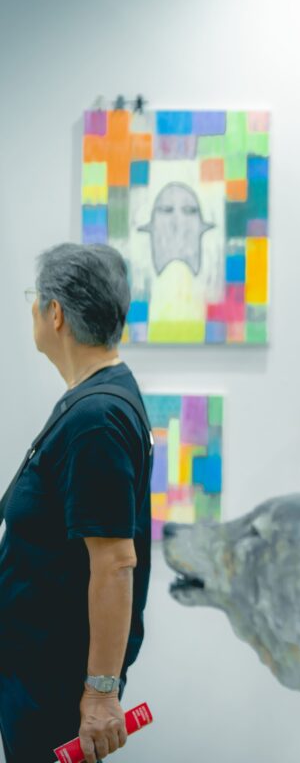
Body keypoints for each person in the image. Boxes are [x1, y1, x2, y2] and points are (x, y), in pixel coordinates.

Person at [0, 243, 153, 763]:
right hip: (38, 674)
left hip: (55, 687)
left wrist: (102, 693)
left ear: (56, 314)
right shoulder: (96, 399)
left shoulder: (97, 418)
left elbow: (115, 563)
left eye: (36, 298)